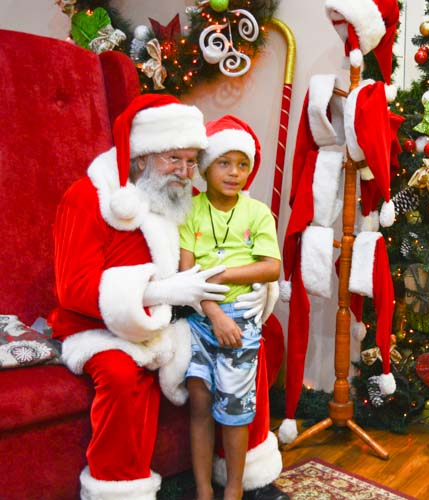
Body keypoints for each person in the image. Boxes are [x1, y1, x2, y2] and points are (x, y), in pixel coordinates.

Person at [49, 95, 277, 500]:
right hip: (104, 329)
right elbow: (74, 289)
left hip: (177, 320)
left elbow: (223, 257)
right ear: (142, 158)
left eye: (192, 161)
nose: (186, 172)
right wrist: (158, 292)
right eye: (175, 159)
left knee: (249, 335)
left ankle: (249, 476)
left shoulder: (180, 198)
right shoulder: (88, 198)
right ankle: (119, 490)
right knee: (122, 373)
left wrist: (264, 288)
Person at [179, 115, 283, 500]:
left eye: (243, 165)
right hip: (200, 319)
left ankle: (233, 491)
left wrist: (224, 276)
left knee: (236, 411)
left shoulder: (256, 213)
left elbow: (271, 266)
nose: (234, 173)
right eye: (225, 163)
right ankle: (204, 490)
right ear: (207, 167)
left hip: (242, 321)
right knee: (200, 405)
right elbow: (186, 273)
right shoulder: (190, 211)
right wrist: (213, 311)